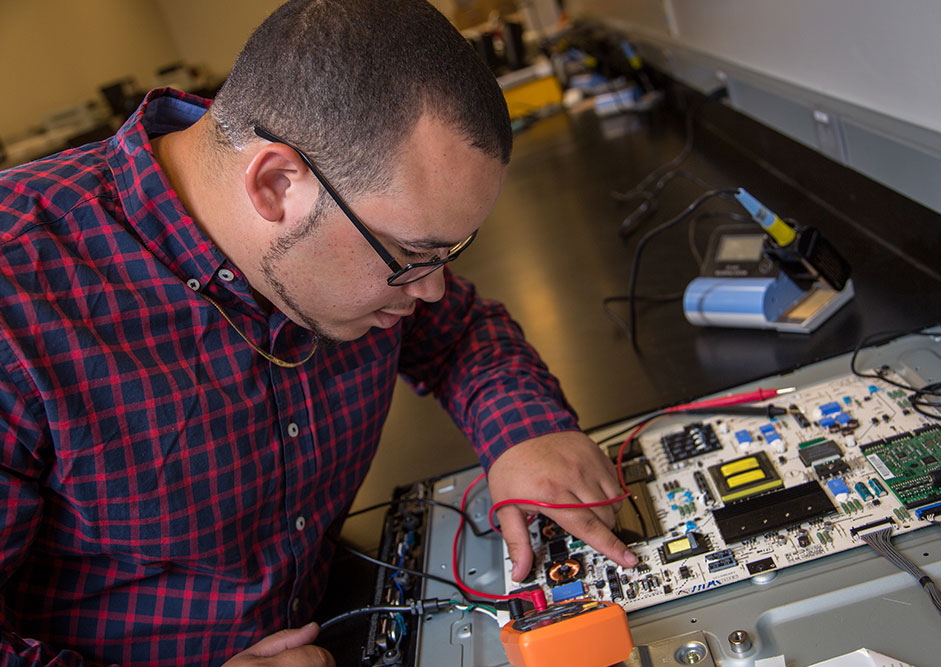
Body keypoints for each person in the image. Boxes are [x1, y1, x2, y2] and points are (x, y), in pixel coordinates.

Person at [0, 1, 636, 665]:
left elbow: (462, 331)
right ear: (276, 185)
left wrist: (524, 429)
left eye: (449, 253)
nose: (432, 289)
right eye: (411, 256)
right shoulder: (19, 292)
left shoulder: (350, 252)